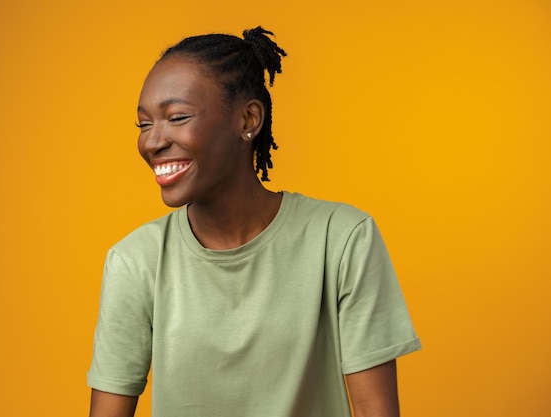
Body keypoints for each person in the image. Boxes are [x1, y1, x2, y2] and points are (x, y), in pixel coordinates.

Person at [87, 26, 421, 417]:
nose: (152, 141)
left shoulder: (342, 239)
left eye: (176, 117)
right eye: (144, 124)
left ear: (248, 118)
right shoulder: (135, 261)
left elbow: (375, 411)